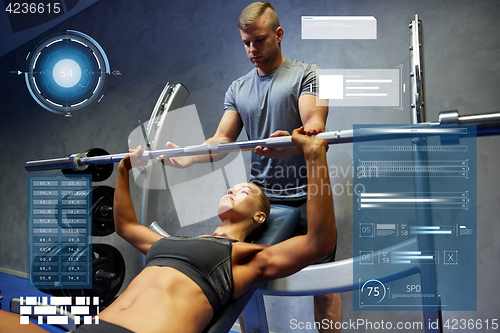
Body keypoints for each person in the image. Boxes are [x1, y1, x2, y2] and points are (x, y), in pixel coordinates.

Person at [0, 127, 336, 333]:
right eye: (231, 187)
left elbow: (319, 242)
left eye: (244, 190)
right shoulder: (172, 242)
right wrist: (123, 170)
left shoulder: (246, 257)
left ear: (260, 218)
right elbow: (127, 226)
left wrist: (314, 156)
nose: (232, 190)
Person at [158, 2, 342, 331]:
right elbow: (221, 139)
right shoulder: (238, 88)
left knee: (324, 286)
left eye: (259, 40)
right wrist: (187, 158)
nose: (252, 49)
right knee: (240, 282)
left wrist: (290, 140)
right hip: (263, 201)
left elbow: (315, 125)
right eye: (246, 43)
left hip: (308, 197)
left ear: (279, 34)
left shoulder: (307, 73)